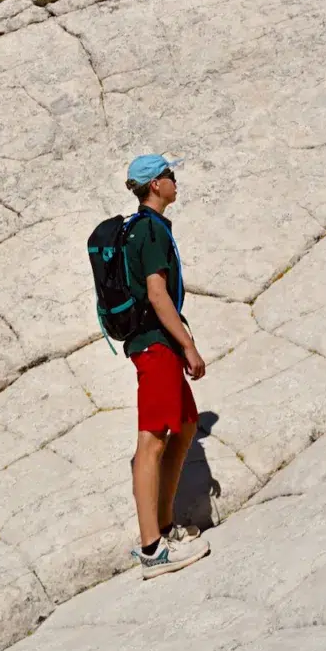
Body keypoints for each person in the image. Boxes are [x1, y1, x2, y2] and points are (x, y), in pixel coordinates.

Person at [123, 154, 211, 579]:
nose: (176, 181)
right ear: (155, 185)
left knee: (187, 424)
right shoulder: (150, 231)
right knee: (152, 441)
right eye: (170, 175)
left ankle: (162, 524)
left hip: (160, 346)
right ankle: (152, 549)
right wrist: (188, 346)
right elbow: (157, 295)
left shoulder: (147, 228)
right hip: (155, 346)